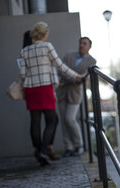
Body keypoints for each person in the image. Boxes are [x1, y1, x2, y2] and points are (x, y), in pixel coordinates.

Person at [20, 21, 82, 166]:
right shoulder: (47, 46)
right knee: (52, 120)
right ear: (45, 34)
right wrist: (76, 76)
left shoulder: (25, 51)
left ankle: (38, 150)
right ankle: (43, 151)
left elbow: (23, 74)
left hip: (30, 88)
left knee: (35, 121)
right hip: (45, 88)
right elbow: (60, 65)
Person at [56, 37, 96, 157]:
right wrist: (75, 78)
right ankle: (68, 147)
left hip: (75, 93)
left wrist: (68, 79)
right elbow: (60, 71)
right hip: (62, 92)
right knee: (63, 121)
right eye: (80, 43)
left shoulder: (92, 61)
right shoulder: (68, 55)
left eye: (84, 43)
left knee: (70, 119)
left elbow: (84, 78)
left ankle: (79, 145)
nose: (82, 45)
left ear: (89, 46)